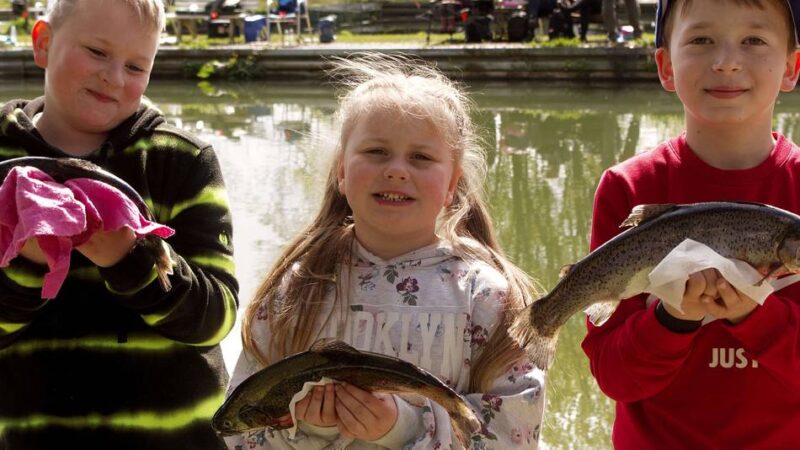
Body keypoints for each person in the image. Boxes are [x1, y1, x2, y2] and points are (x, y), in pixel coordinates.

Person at [225, 54, 545, 450]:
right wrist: (309, 431)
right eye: (376, 151)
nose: (396, 170)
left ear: (452, 184)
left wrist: (405, 427)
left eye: (421, 157)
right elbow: (237, 433)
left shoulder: (488, 298)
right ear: (341, 170)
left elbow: (514, 438)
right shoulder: (293, 294)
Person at [0, 0, 238, 448]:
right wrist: (28, 261)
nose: (114, 76)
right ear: (43, 43)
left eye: (136, 65)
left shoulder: (183, 161)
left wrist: (130, 259)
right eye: (96, 51)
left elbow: (217, 318)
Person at [582, 0, 800, 448]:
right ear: (665, 66)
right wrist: (673, 318)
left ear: (791, 67)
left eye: (754, 40)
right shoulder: (627, 187)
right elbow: (614, 378)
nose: (726, 62)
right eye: (701, 40)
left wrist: (752, 315)